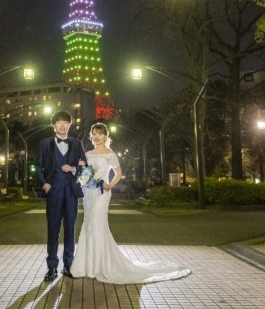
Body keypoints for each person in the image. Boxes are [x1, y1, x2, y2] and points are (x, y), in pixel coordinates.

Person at [72, 122, 191, 284]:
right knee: (88, 224)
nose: (97, 136)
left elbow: (118, 173)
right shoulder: (87, 153)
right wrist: (81, 173)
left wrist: (109, 185)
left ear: (106, 136)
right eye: (94, 133)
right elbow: (84, 172)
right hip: (89, 193)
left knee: (98, 224)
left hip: (102, 193)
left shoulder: (110, 154)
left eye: (100, 133)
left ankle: (100, 266)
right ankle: (86, 266)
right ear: (91, 136)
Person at [36, 110, 87, 281]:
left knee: (70, 230)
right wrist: (45, 183)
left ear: (70, 125)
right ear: (53, 125)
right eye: (59, 122)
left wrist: (73, 169)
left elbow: (85, 167)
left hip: (71, 192)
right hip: (54, 191)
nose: (62, 125)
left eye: (66, 122)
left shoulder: (77, 143)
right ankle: (51, 267)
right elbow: (38, 166)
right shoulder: (44, 143)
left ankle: (68, 265)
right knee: (53, 230)